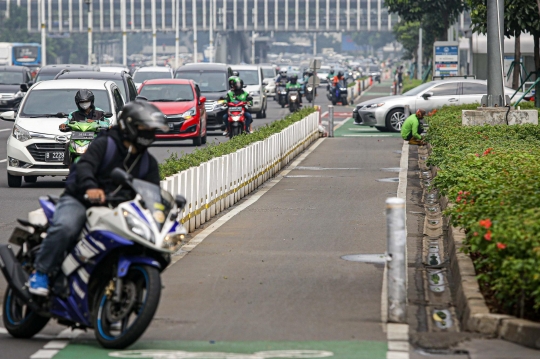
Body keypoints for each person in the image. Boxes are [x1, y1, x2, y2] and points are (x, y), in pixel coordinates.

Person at [28, 100, 167, 296]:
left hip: (116, 210)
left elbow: (153, 192)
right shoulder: (105, 143)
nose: (148, 133)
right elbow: (84, 166)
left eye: (151, 129)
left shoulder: (147, 163)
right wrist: (91, 187)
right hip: (81, 199)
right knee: (67, 227)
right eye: (144, 127)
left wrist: (160, 212)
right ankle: (40, 272)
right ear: (130, 125)